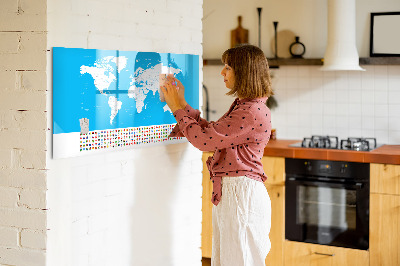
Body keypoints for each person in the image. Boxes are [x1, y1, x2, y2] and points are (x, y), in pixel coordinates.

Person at [161, 44, 273, 266]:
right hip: (236, 193)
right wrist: (182, 104)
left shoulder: (250, 111)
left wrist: (176, 108)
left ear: (244, 72)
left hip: (241, 195)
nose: (222, 72)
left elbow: (204, 141)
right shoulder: (246, 106)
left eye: (228, 67)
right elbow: (212, 133)